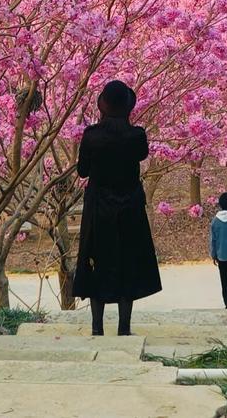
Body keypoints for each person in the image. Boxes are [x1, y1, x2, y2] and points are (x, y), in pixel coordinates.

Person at [73, 80, 162, 336]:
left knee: (96, 260)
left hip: (99, 206)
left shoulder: (91, 135)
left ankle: (97, 327)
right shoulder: (137, 135)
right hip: (130, 206)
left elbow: (82, 171)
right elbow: (142, 156)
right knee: (127, 260)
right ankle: (124, 327)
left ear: (103, 105)